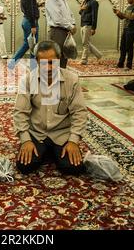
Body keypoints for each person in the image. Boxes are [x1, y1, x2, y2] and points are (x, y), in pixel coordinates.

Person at [13, 40, 88, 175]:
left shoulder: (72, 80)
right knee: (25, 166)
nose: (48, 68)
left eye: (51, 62)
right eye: (43, 63)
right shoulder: (27, 81)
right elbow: (20, 113)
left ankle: (51, 152)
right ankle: (49, 152)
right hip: (37, 133)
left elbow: (79, 112)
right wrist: (25, 140)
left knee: (73, 168)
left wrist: (73, 141)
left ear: (59, 60)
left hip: (61, 133)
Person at [8, 0, 42, 68]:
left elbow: (29, 7)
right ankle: (15, 63)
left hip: (27, 21)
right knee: (30, 45)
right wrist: (33, 26)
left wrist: (38, 5)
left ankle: (30, 65)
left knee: (30, 44)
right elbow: (29, 11)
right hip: (30, 22)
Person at [45, 0, 76, 68]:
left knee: (63, 60)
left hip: (65, 31)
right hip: (57, 32)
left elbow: (69, 14)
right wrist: (71, 27)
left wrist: (73, 24)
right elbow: (57, 19)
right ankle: (49, 81)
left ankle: (60, 81)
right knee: (54, 60)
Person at [113, 0, 134, 70]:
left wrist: (122, 14)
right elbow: (123, 17)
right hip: (126, 29)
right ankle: (120, 64)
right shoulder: (128, 7)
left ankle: (129, 65)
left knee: (129, 48)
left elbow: (131, 17)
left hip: (131, 30)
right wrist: (117, 13)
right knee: (122, 47)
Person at [79, 0, 102, 65]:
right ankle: (99, 55)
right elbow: (80, 13)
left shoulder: (94, 2)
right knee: (86, 43)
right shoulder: (85, 1)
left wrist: (93, 28)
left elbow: (94, 15)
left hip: (88, 25)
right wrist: (81, 9)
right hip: (82, 24)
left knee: (85, 44)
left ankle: (84, 60)